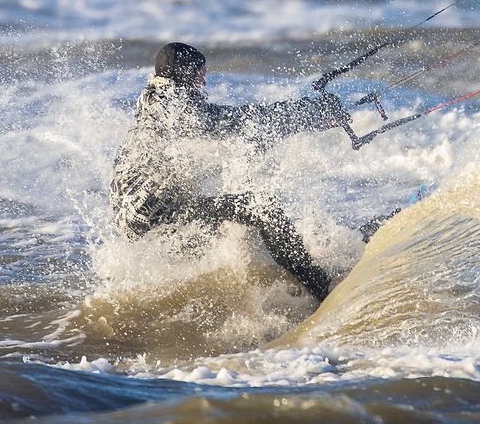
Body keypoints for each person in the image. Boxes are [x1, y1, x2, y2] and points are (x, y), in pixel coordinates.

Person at [110, 42, 349, 301]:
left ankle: (272, 298)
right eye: (200, 72)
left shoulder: (153, 98)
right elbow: (236, 123)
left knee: (239, 223)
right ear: (185, 72)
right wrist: (311, 113)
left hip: (139, 220)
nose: (204, 79)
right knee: (263, 209)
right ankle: (324, 290)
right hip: (158, 216)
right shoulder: (175, 105)